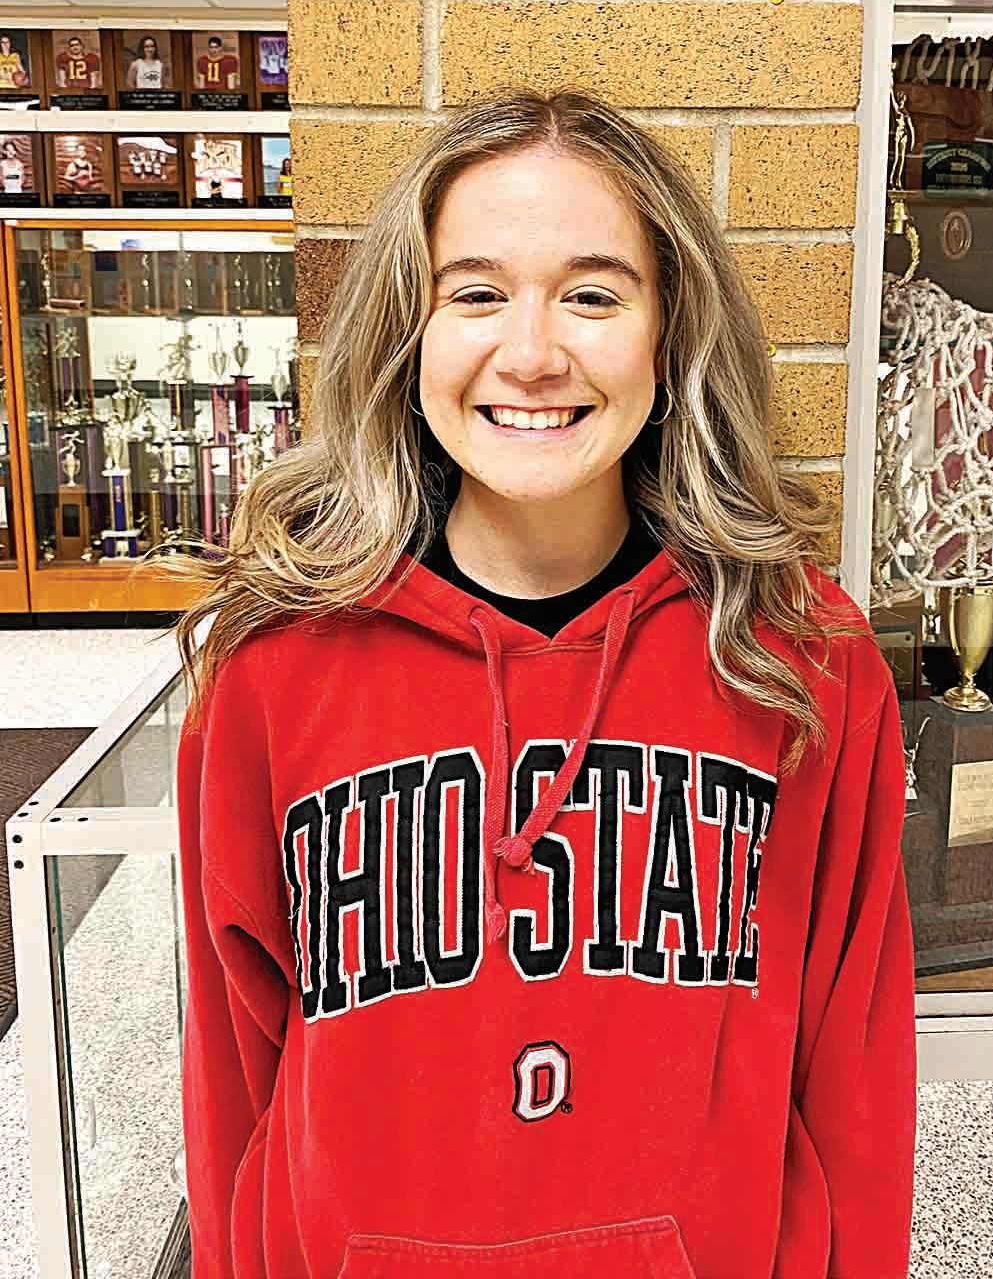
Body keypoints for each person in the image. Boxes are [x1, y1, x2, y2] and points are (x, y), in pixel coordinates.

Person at [163, 87, 917, 1279]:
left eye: (593, 294)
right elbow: (230, 1078)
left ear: (669, 334)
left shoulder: (800, 659)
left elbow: (857, 1077)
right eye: (474, 293)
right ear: (408, 335)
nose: (529, 353)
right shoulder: (272, 672)